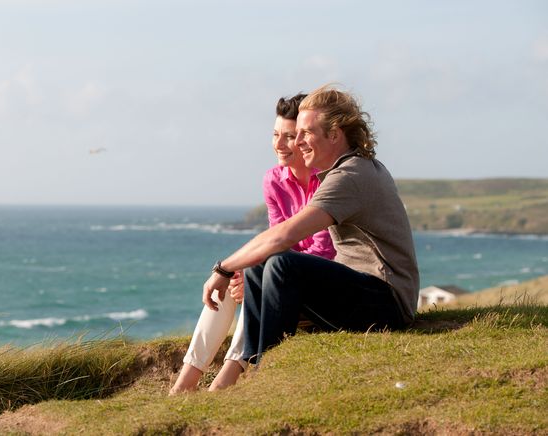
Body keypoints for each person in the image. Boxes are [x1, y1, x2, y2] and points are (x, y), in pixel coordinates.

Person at [201, 84, 419, 366]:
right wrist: (237, 266)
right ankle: (256, 363)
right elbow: (277, 236)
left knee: (283, 265)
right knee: (258, 265)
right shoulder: (348, 169)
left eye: (306, 133)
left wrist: (224, 268)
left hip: (388, 304)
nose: (297, 141)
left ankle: (270, 365)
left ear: (334, 134)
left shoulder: (350, 175)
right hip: (364, 291)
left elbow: (286, 235)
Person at [169, 93, 335, 395]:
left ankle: (227, 378)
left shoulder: (327, 181)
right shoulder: (273, 180)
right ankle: (186, 381)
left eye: (288, 137)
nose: (278, 145)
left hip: (320, 285)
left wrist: (262, 276)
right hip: (286, 272)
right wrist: (247, 273)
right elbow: (275, 242)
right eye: (275, 135)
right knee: (235, 280)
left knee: (256, 279)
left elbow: (325, 253)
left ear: (304, 140)